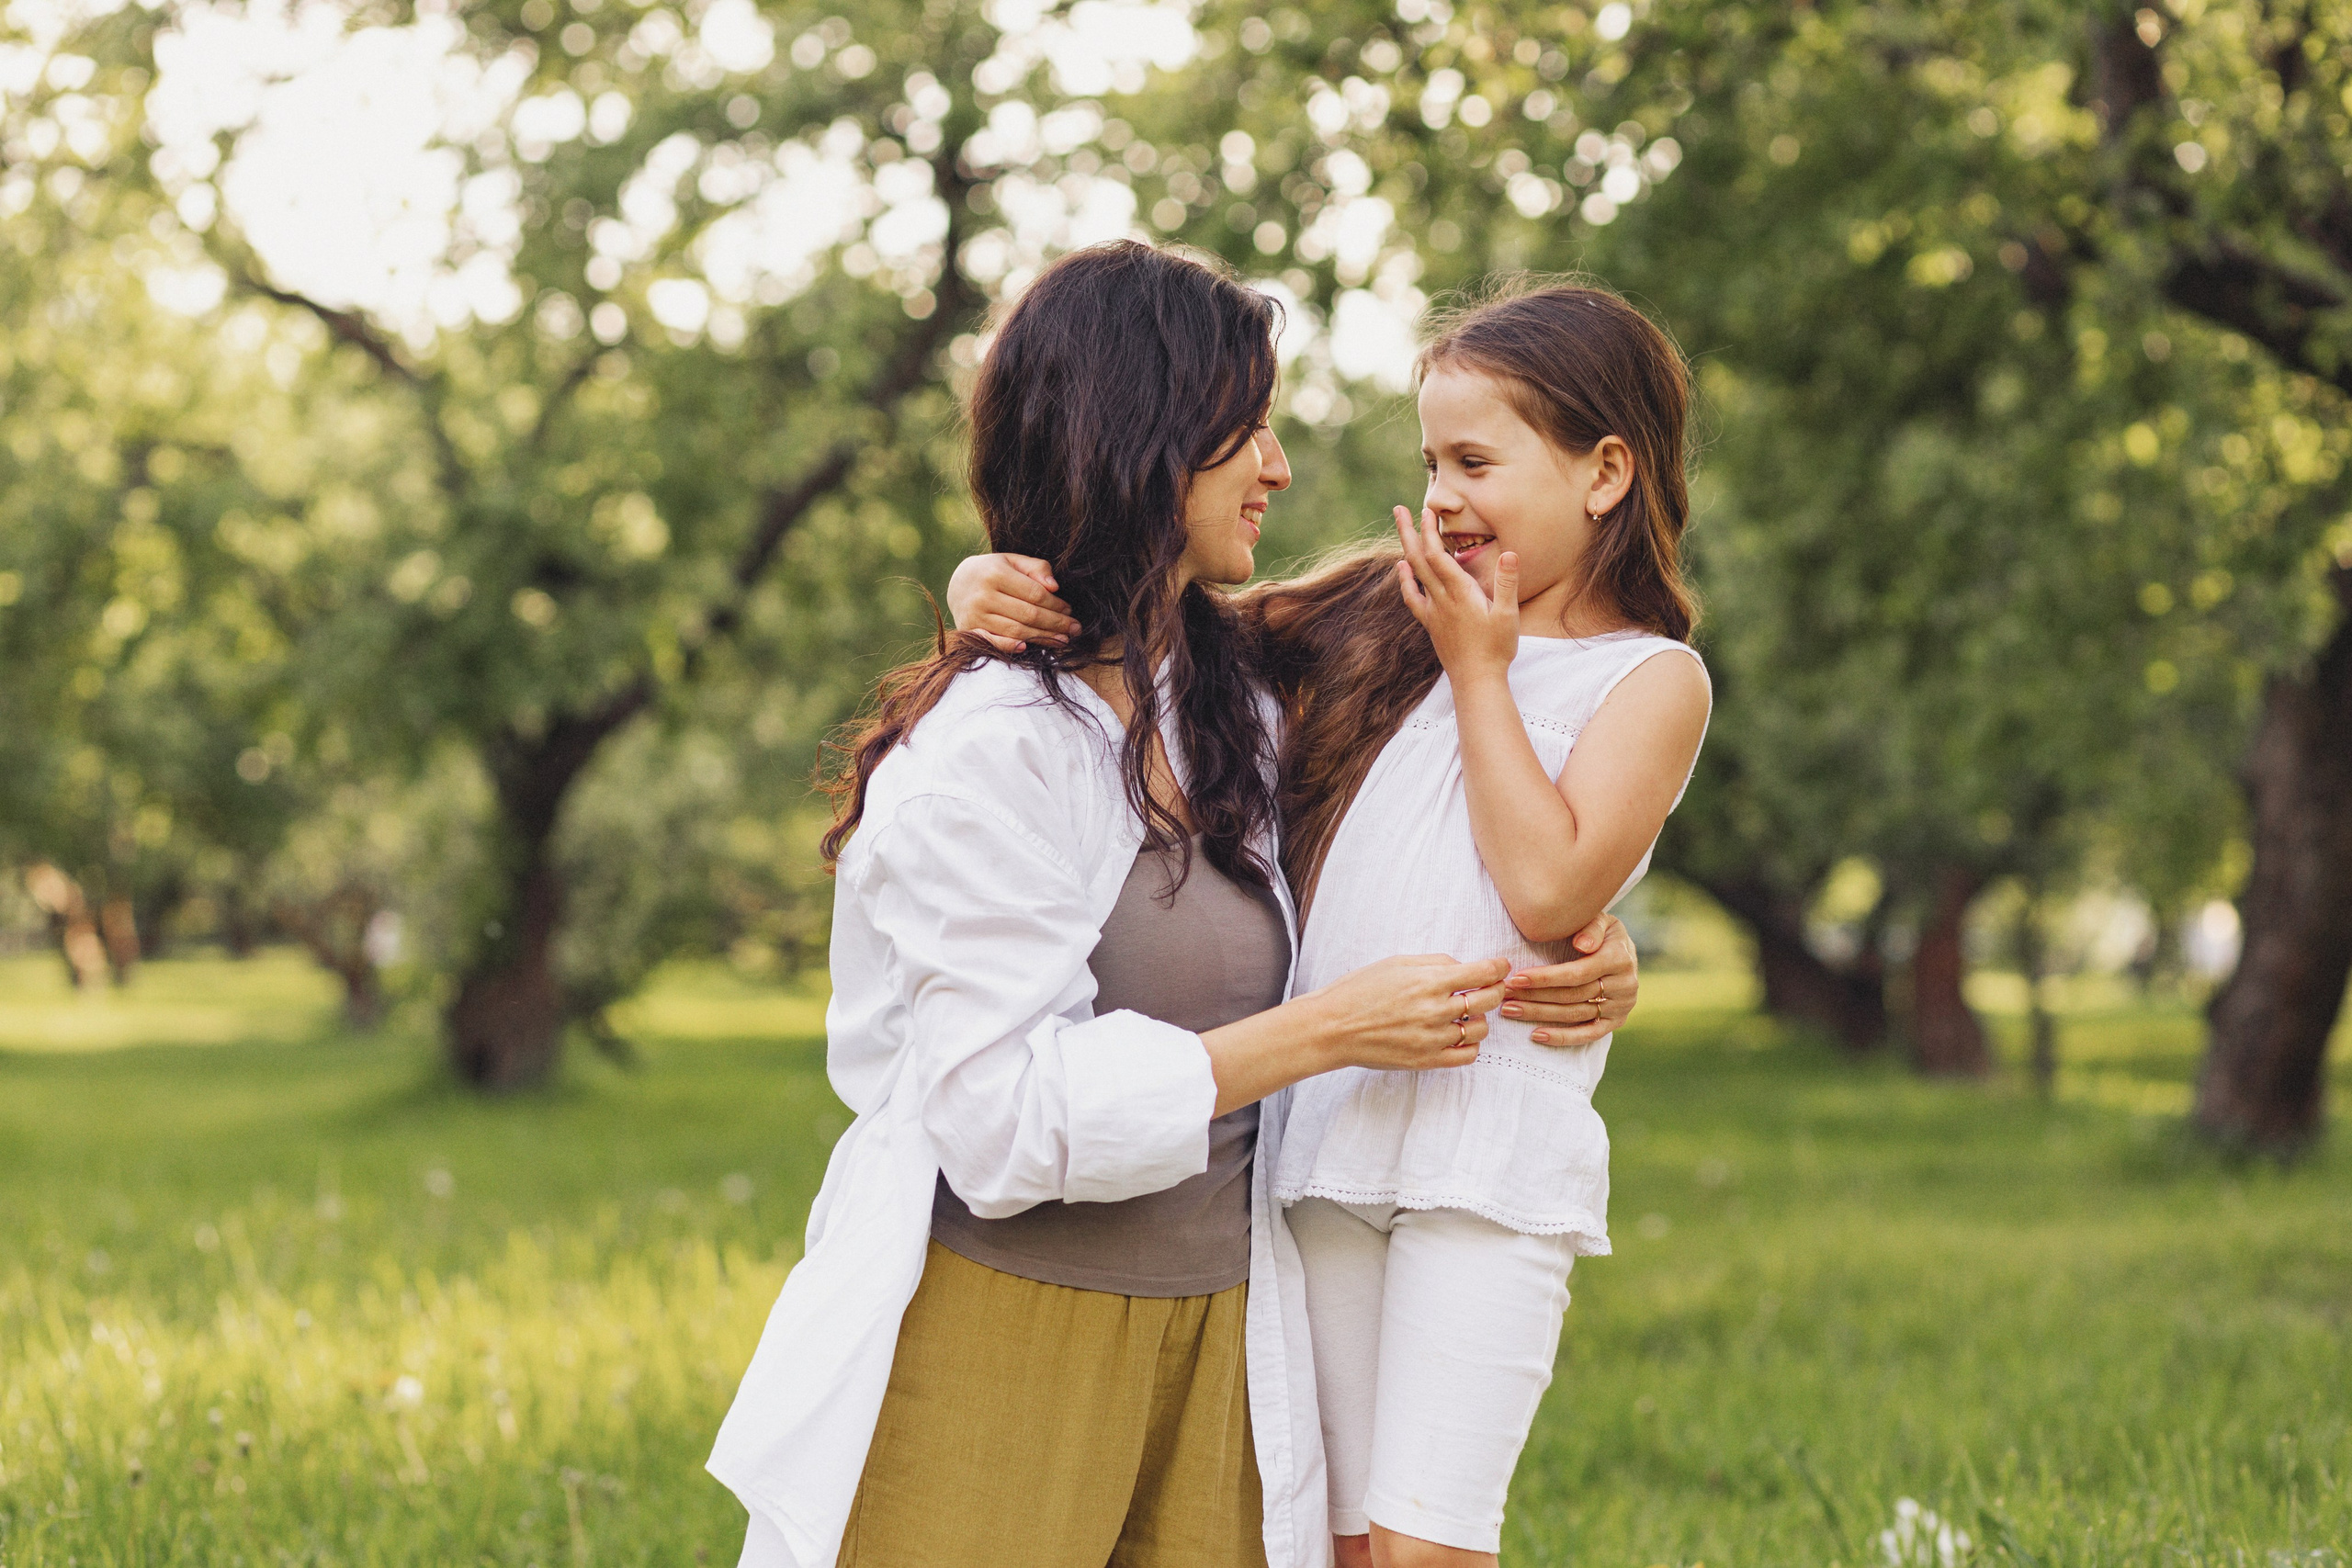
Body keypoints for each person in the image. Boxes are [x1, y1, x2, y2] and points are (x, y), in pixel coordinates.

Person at [707, 243, 1639, 1568]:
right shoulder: (989, 752)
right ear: (1144, 447)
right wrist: (1326, 1033)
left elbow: (1428, 842)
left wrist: (1596, 956)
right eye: (1246, 432)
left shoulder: (1239, 707)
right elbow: (1000, 1123)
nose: (1283, 467)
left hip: (1221, 1349)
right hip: (998, 1344)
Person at [949, 277, 1709, 1568]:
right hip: (1330, 1135)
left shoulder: (1650, 677)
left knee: (1430, 1547)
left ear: (1606, 472)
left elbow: (1545, 889)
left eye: (1478, 460)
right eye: (1433, 462)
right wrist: (981, 582)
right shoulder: (1390, 608)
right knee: (1335, 1539)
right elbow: (1153, 623)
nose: (1446, 495)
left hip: (1486, 1153)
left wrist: (1482, 665)